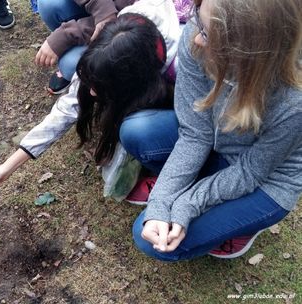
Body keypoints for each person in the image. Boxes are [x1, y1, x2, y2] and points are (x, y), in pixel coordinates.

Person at [126, 0, 302, 261]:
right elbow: (195, 133)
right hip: (216, 140)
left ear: (248, 52)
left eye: (209, 34)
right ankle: (182, 184)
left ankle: (243, 225)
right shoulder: (199, 34)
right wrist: (162, 201)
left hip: (265, 179)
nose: (196, 38)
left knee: (148, 239)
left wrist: (189, 203)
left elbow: (250, 172)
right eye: (200, 21)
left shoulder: (293, 101)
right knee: (136, 132)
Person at [0, 1, 181, 202]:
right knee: (71, 62)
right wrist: (5, 169)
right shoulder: (119, 33)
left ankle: (166, 173)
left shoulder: (182, 61)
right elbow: (67, 108)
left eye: (99, 87)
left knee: (136, 130)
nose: (90, 93)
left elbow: (202, 133)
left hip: (192, 113)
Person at [35, 0, 191, 94]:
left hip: (136, 28)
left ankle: (106, 86)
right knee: (50, 4)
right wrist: (103, 12)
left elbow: (124, 25)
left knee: (71, 64)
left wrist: (68, 34)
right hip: (118, 16)